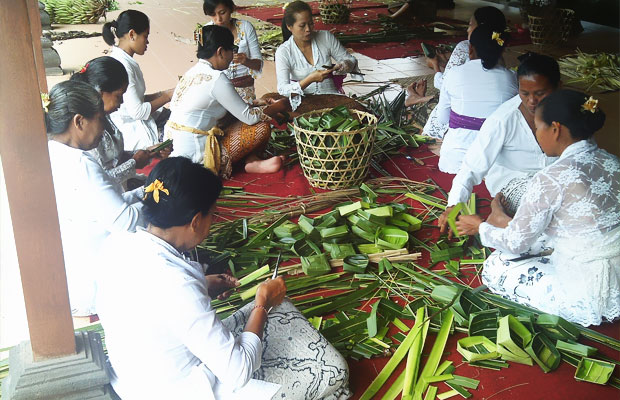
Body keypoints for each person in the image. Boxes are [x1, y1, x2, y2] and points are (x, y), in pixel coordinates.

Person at [96, 157, 351, 399]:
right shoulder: (177, 284)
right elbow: (237, 371)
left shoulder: (116, 243)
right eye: (212, 215)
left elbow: (148, 303)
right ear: (196, 221)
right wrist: (262, 302)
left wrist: (203, 286)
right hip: (174, 391)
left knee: (278, 309)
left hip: (134, 376)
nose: (212, 221)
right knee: (335, 370)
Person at [455, 90, 620, 327]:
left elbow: (515, 244)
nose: (536, 134)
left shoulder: (551, 178)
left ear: (555, 129)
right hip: (616, 268)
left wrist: (481, 227)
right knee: (541, 234)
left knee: (497, 265)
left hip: (588, 293)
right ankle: (506, 225)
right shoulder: (612, 160)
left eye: (537, 128)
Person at [44, 80, 144, 318]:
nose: (103, 128)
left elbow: (106, 204)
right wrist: (161, 199)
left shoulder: (52, 152)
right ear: (79, 121)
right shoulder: (81, 164)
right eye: (100, 119)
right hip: (98, 281)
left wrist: (142, 193)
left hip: (75, 275)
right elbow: (124, 221)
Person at [437, 53, 561, 235]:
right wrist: (453, 205)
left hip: (556, 180)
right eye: (524, 93)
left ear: (558, 87)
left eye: (540, 93)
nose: (531, 101)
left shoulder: (567, 111)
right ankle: (499, 218)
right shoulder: (503, 120)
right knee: (544, 207)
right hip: (516, 184)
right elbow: (471, 166)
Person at [166, 25, 289, 179]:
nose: (233, 56)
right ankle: (249, 161)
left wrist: (259, 103)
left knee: (235, 122)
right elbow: (249, 117)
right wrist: (280, 105)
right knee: (261, 127)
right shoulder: (217, 79)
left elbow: (233, 109)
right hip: (197, 157)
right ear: (220, 52)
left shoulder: (191, 73)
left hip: (177, 146)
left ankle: (252, 161)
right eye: (232, 50)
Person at [70, 56, 170, 187]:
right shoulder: (87, 129)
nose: (122, 102)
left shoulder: (106, 117)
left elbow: (115, 158)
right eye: (118, 95)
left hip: (122, 187)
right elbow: (99, 182)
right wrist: (133, 163)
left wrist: (146, 152)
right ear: (100, 93)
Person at [414, 6, 507, 138]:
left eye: (470, 25)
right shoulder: (499, 51)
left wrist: (435, 65)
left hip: (461, 127)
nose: (468, 29)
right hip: (493, 128)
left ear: (480, 27)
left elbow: (445, 84)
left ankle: (415, 100)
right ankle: (416, 99)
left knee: (434, 105)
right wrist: (445, 63)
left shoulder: (465, 46)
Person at [435, 25, 516, 173]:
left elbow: (442, 118)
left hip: (455, 161)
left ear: (470, 49)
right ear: (502, 51)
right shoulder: (510, 78)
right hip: (495, 164)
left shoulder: (454, 74)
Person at [103, 10, 174, 151]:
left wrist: (162, 93)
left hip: (138, 120)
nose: (147, 42)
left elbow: (136, 99)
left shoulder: (124, 59)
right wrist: (167, 97)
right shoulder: (123, 66)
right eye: (145, 36)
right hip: (133, 130)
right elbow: (138, 112)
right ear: (132, 34)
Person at [276, 1, 358, 111]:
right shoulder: (283, 52)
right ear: (289, 27)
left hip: (331, 96)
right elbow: (283, 89)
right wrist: (309, 80)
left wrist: (346, 64)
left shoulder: (326, 37)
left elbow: (350, 59)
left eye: (310, 23)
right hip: (303, 102)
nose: (308, 29)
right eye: (302, 26)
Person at [203, 0, 263, 104]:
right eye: (213, 15)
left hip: (244, 88)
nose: (219, 19)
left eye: (222, 13)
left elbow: (258, 65)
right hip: (218, 88)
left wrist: (246, 61)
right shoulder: (207, 31)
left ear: (231, 9)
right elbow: (204, 66)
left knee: (246, 116)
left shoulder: (245, 27)